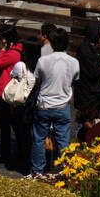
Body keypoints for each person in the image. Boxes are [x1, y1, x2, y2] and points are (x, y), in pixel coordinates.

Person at [30, 25, 79, 177]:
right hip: (62, 104)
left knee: (39, 138)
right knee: (63, 140)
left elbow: (37, 82)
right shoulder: (73, 62)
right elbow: (73, 80)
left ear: (51, 42)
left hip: (44, 103)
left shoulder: (43, 61)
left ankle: (37, 170)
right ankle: (63, 170)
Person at [0, 25, 26, 168]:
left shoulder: (11, 53)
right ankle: (20, 150)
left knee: (5, 126)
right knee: (16, 124)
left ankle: (6, 154)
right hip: (12, 93)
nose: (2, 41)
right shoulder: (20, 50)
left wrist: (1, 51)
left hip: (5, 92)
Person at [74, 22, 100, 121]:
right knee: (85, 125)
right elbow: (92, 72)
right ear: (95, 35)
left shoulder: (94, 48)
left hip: (96, 96)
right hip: (88, 97)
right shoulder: (85, 50)